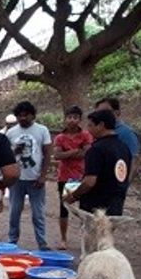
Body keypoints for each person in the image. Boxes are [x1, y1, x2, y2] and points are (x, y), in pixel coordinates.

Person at [62, 109, 132, 215]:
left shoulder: (96, 149)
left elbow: (89, 182)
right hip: (116, 204)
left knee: (96, 231)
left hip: (97, 207)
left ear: (101, 125)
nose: (88, 130)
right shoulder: (124, 148)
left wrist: (74, 195)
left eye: (90, 126)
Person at [5, 101, 52, 250]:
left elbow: (47, 154)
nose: (23, 118)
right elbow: (5, 156)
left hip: (35, 179)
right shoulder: (11, 133)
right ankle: (12, 241)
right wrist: (15, 152)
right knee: (14, 212)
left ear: (33, 115)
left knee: (38, 213)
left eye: (26, 115)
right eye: (19, 115)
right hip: (16, 179)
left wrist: (43, 175)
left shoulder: (42, 130)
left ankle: (42, 243)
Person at [52, 106, 93, 249]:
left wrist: (67, 153)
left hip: (82, 177)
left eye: (75, 117)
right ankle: (63, 239)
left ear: (80, 120)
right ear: (65, 119)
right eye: (69, 117)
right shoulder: (60, 137)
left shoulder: (86, 135)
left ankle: (85, 239)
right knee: (64, 208)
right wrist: (76, 151)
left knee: (85, 209)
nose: (72, 120)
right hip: (65, 177)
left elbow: (88, 153)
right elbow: (57, 156)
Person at [94, 96, 140, 161]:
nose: (100, 115)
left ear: (117, 113)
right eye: (98, 113)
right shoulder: (99, 132)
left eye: (105, 112)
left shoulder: (127, 133)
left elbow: (132, 159)